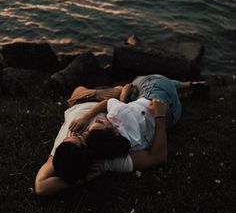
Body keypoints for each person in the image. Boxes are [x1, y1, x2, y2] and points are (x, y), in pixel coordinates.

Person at [35, 76, 207, 196]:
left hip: (84, 103)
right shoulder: (108, 160)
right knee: (134, 85)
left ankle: (120, 93)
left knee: (80, 90)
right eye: (79, 137)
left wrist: (80, 180)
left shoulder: (64, 150)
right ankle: (123, 92)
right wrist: (160, 117)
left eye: (70, 137)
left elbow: (41, 187)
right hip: (102, 101)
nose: (75, 133)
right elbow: (158, 157)